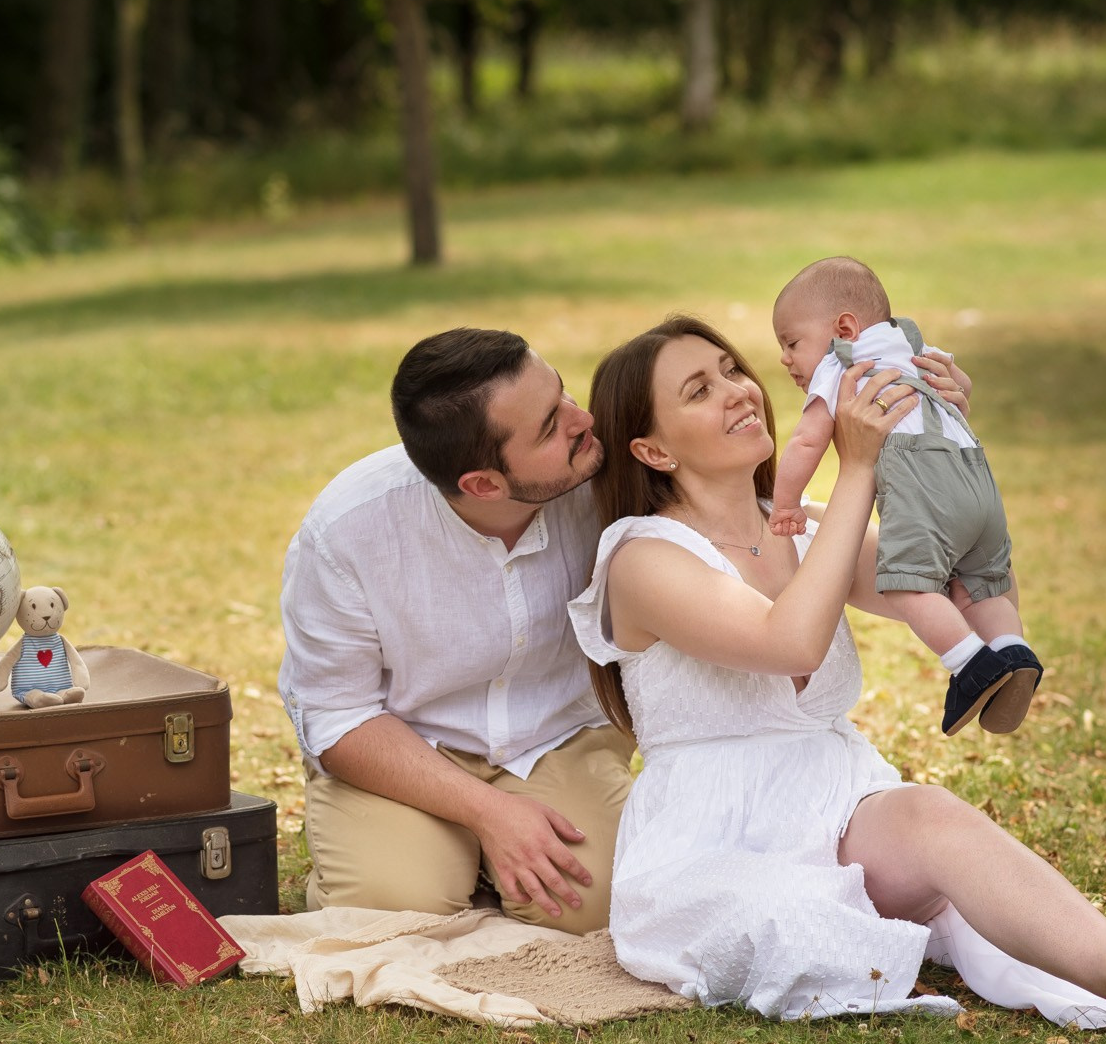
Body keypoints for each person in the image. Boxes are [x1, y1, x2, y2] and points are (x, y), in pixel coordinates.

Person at [566, 314, 1106, 1044]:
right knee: (791, 918)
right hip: (710, 837)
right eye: (700, 389)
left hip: (830, 795)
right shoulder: (642, 559)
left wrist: (946, 436)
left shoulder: (803, 530)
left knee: (929, 813)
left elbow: (968, 582)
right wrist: (857, 467)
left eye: (733, 369)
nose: (738, 392)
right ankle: (1075, 974)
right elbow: (785, 640)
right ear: (652, 448)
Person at [276, 324, 971, 934]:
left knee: (613, 901)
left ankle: (497, 861)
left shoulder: (608, 476)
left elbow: (745, 494)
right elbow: (338, 715)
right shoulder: (348, 532)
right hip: (407, 750)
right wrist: (488, 811)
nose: (582, 421)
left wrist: (922, 419)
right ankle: (441, 849)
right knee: (393, 908)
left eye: (564, 394)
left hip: (556, 740)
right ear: (484, 483)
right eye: (550, 426)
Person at [768, 256, 1040, 736]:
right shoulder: (908, 341)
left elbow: (807, 440)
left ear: (844, 328)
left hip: (925, 485)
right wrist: (963, 389)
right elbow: (956, 382)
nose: (785, 359)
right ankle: (1013, 650)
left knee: (905, 584)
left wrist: (787, 502)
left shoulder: (842, 363)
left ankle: (972, 665)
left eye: (791, 343)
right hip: (975, 475)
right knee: (979, 583)